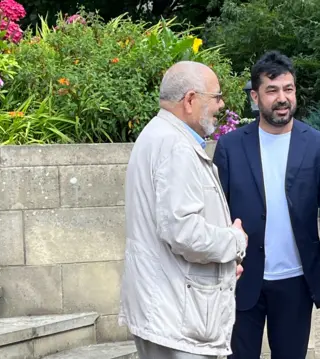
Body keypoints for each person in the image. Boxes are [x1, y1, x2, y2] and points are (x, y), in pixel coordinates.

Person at [213, 50, 320, 359]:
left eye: (288, 89)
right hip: (242, 278)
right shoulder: (230, 146)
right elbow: (217, 211)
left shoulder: (319, 146)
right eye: (272, 90)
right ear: (255, 97)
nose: (282, 98)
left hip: (296, 281)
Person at [118, 61, 248, 359]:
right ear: (190, 100)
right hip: (178, 316)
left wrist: (223, 265)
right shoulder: (176, 147)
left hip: (168, 310)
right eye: (215, 97)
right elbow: (183, 233)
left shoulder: (158, 136)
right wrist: (235, 242)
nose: (221, 104)